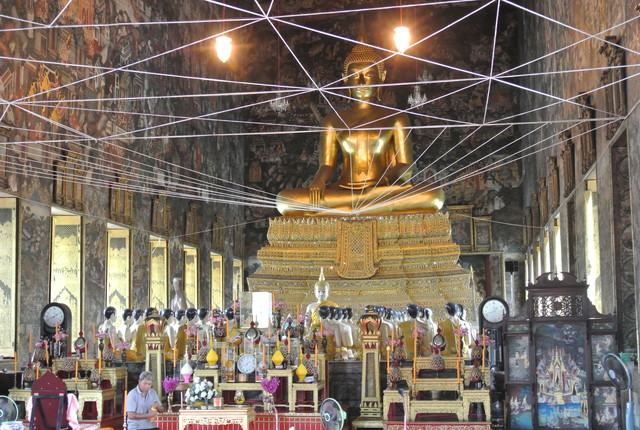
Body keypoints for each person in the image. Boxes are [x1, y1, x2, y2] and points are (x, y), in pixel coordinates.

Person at [275, 43, 445, 216]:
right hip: (344, 189)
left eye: (369, 74)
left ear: (382, 76)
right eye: (355, 75)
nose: (362, 82)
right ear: (345, 79)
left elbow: (406, 165)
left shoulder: (396, 117)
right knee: (285, 200)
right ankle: (359, 205)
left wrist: (380, 184)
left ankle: (349, 208)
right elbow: (327, 165)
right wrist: (318, 181)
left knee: (433, 196)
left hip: (381, 190)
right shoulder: (332, 121)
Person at [304, 268, 337, 338]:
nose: (321, 294)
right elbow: (306, 324)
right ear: (314, 292)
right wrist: (308, 332)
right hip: (314, 334)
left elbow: (337, 323)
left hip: (329, 333)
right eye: (318, 291)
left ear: (328, 292)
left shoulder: (333, 306)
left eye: (324, 291)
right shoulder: (310, 306)